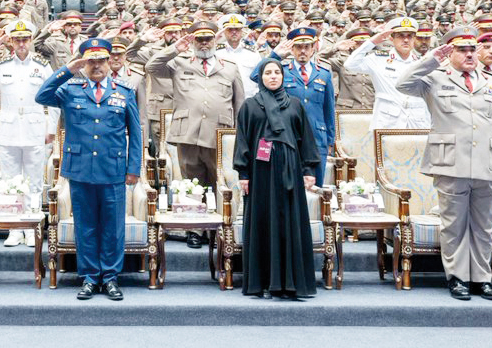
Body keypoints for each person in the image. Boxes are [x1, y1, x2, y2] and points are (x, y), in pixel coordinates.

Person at [395, 27, 492, 301]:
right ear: (450, 52)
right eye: (462, 50)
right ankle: (458, 277)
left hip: (487, 162)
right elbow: (403, 83)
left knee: (484, 225)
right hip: (451, 162)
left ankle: (482, 279)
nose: (470, 54)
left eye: (473, 49)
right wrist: (432, 59)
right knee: (454, 224)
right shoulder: (434, 78)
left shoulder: (491, 81)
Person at [36, 38, 142, 301]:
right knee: (86, 226)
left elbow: (136, 133)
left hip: (113, 169)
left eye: (101, 61)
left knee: (112, 226)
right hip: (81, 169)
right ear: (84, 63)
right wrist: (68, 69)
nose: (97, 66)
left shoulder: (124, 91)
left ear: (109, 62)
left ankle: (110, 277)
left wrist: (134, 168)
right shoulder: (71, 88)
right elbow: (42, 96)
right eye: (91, 61)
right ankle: (90, 277)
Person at [146, 21, 244, 248]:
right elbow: (152, 67)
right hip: (187, 131)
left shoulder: (229, 66)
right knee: (191, 181)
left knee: (219, 180)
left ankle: (219, 228)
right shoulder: (179, 62)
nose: (203, 43)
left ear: (215, 40)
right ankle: (194, 229)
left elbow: (239, 103)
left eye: (208, 38)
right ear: (192, 40)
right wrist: (175, 48)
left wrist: (238, 136)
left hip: (220, 133)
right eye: (199, 38)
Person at [234, 58, 322, 299]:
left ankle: (291, 283)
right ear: (260, 77)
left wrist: (308, 171)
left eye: (277, 73)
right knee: (263, 221)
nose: (273, 76)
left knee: (289, 222)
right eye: (268, 73)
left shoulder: (294, 104)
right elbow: (243, 139)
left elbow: (306, 139)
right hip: (260, 173)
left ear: (283, 77)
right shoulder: (250, 106)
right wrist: (243, 173)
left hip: (290, 171)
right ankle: (263, 282)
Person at [0, 20, 57, 246]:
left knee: (34, 180)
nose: (21, 43)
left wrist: (51, 129)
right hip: (8, 130)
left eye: (25, 39)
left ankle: (32, 227)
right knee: (10, 179)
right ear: (11, 41)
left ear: (30, 40)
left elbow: (54, 97)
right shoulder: (2, 63)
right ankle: (15, 228)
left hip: (35, 127)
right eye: (16, 39)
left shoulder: (41, 65)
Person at [344, 16, 431, 130]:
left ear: (414, 39)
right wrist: (372, 42)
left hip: (417, 123)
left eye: (410, 36)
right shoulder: (378, 59)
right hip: (388, 123)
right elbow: (350, 64)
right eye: (401, 36)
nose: (405, 40)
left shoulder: (421, 62)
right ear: (392, 38)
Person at [274, 27, 335, 187]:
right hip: (290, 137)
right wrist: (274, 55)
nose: (303, 51)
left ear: (313, 48)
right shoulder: (283, 72)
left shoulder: (324, 73)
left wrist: (330, 140)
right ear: (292, 49)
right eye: (299, 47)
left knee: (317, 188)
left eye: (307, 47)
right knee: (290, 187)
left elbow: (328, 110)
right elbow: (256, 76)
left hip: (317, 137)